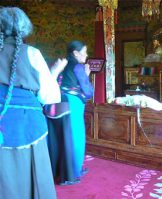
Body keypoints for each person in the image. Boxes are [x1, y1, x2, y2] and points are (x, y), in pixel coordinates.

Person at [0, 7, 67, 199]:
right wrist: (54, 73)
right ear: (23, 28)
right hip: (27, 124)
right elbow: (50, 97)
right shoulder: (32, 53)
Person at [45, 40, 94, 185]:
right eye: (84, 52)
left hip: (60, 102)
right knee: (76, 137)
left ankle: (68, 170)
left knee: (63, 136)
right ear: (76, 53)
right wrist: (86, 76)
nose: (86, 55)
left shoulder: (64, 64)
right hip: (73, 104)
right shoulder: (78, 67)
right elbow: (88, 91)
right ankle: (72, 172)